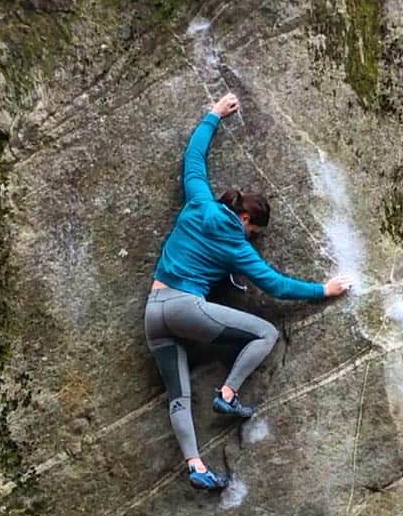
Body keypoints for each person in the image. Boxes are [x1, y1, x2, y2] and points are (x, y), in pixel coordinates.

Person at [146, 92, 351, 491]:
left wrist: (213, 115)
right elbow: (274, 283)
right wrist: (324, 289)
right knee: (266, 333)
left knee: (179, 394)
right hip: (184, 306)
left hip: (154, 310)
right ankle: (228, 392)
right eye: (255, 232)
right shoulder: (235, 244)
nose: (253, 240)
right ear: (244, 219)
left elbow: (193, 161)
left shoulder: (198, 200)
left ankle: (196, 467)